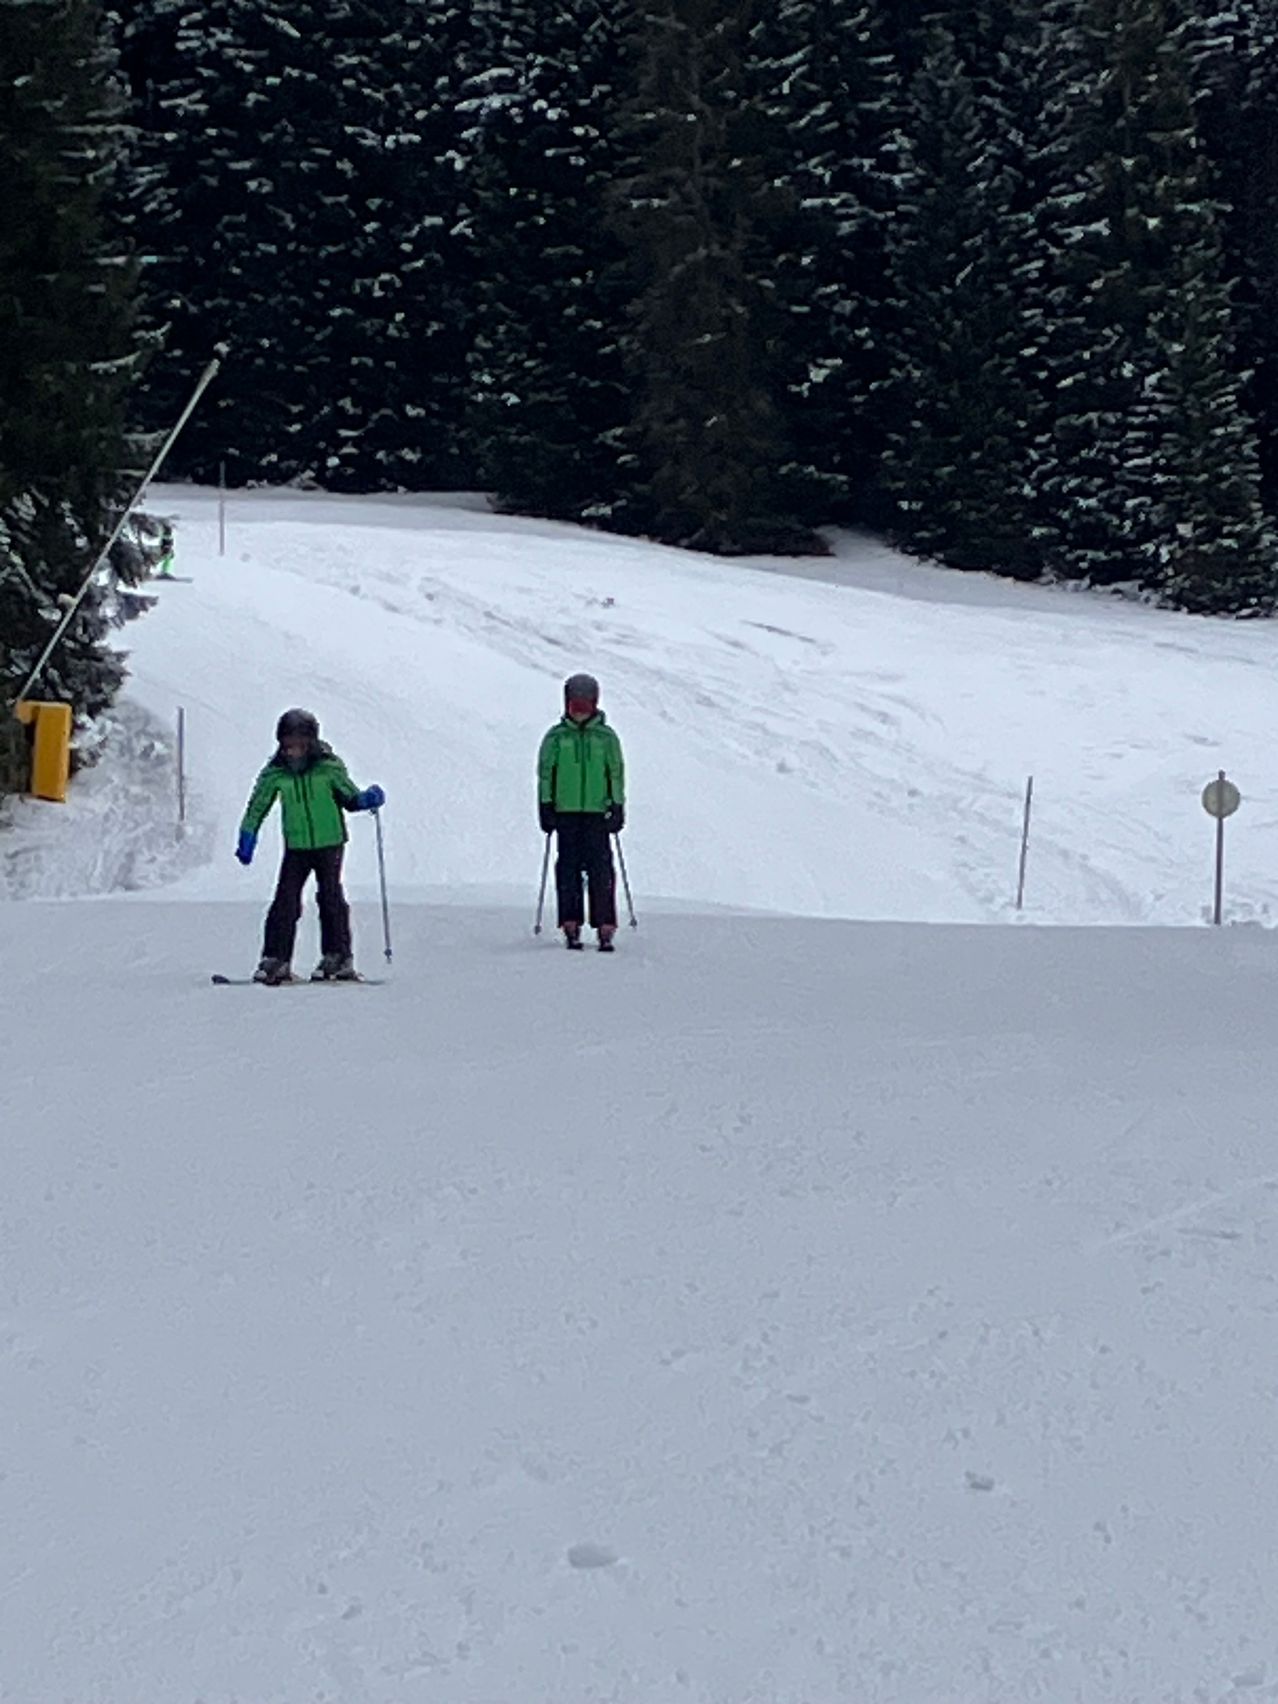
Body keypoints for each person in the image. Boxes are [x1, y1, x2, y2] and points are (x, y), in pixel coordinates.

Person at [236, 708, 385, 983]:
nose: (294, 752)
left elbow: (349, 798)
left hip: (330, 843)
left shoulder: (328, 767)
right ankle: (275, 958)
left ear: (312, 743)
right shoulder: (275, 773)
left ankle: (337, 957)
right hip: (297, 845)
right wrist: (248, 834)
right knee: (285, 900)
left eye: (300, 745)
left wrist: (367, 799)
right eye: (288, 746)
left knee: (330, 897)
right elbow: (258, 805)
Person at [537, 672, 625, 951]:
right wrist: (546, 805)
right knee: (569, 868)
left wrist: (617, 804)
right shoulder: (556, 737)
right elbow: (545, 774)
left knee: (601, 869)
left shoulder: (606, 738)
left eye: (585, 706)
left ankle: (605, 924)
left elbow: (616, 772)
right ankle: (570, 922)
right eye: (575, 706)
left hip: (597, 812)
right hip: (566, 812)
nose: (580, 712)